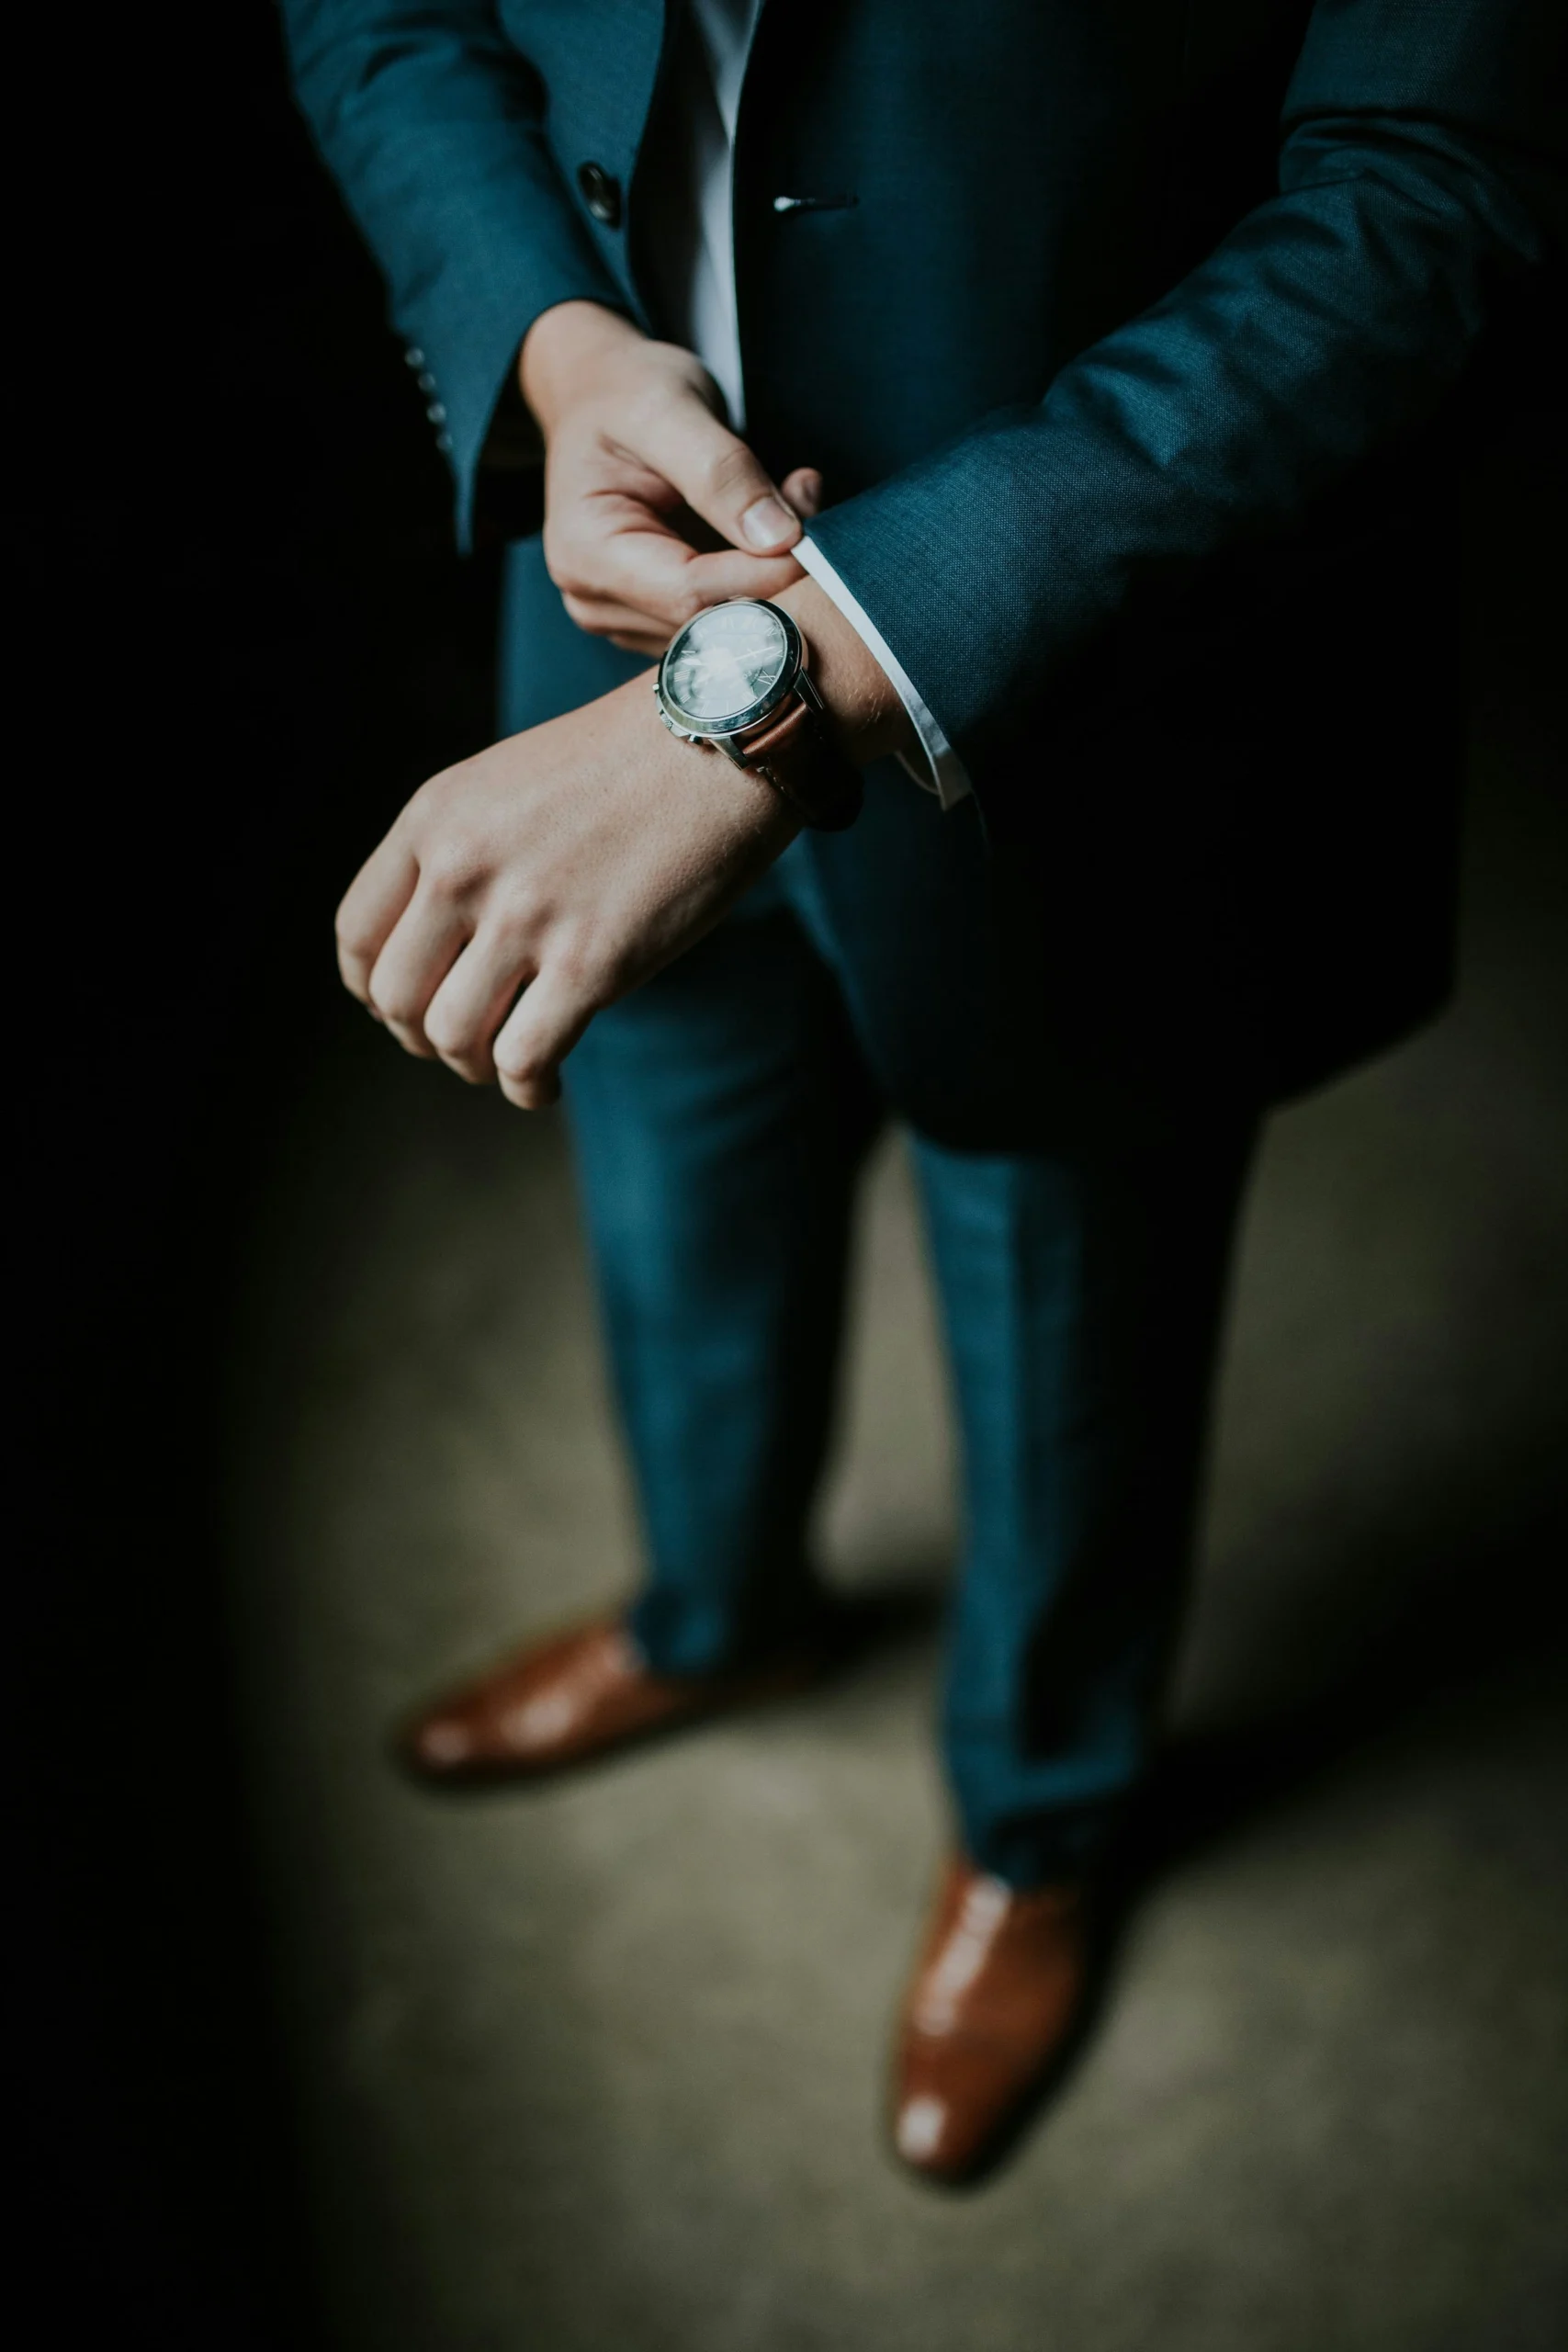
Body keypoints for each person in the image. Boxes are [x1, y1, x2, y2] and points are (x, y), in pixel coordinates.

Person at [281, 0, 1564, 2182]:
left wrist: (786, 686)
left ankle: (1037, 1823)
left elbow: (1426, 184)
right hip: (584, 609)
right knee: (669, 1180)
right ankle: (719, 1614)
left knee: (1072, 1284)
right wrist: (552, 345)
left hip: (1094, 689)